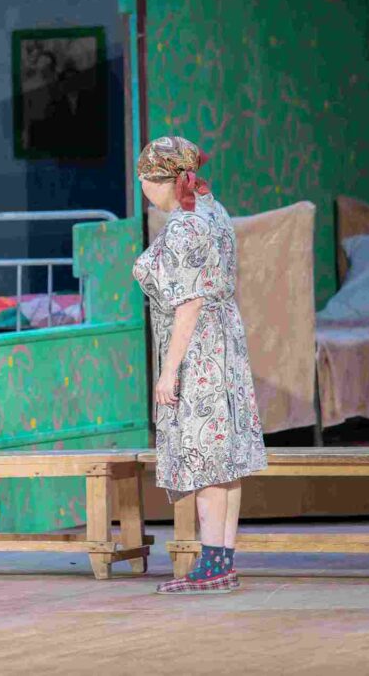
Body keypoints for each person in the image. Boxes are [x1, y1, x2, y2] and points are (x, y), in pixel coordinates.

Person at [132, 135, 267, 594]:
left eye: (144, 179)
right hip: (224, 341)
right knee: (223, 461)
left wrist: (169, 371)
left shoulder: (185, 226)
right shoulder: (213, 211)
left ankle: (212, 565)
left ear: (158, 180)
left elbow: (188, 304)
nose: (142, 188)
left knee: (208, 458)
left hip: (199, 350)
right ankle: (222, 561)